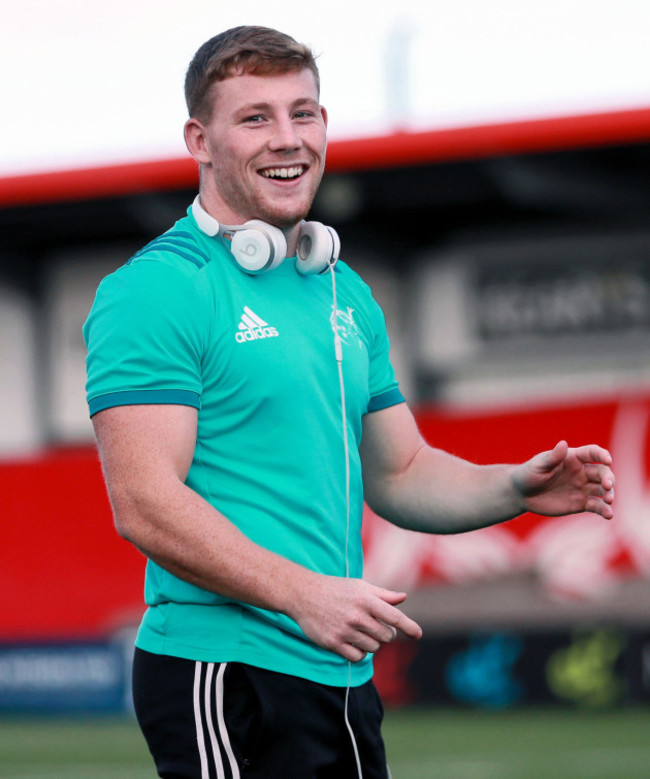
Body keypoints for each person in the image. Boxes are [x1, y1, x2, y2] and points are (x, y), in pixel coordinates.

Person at [83, 25, 615, 779]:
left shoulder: (343, 290)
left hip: (338, 674)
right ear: (200, 140)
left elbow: (400, 471)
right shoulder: (157, 289)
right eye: (256, 117)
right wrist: (304, 593)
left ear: (325, 126)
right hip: (222, 674)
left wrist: (512, 487)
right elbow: (143, 499)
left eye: (303, 113)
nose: (287, 138)